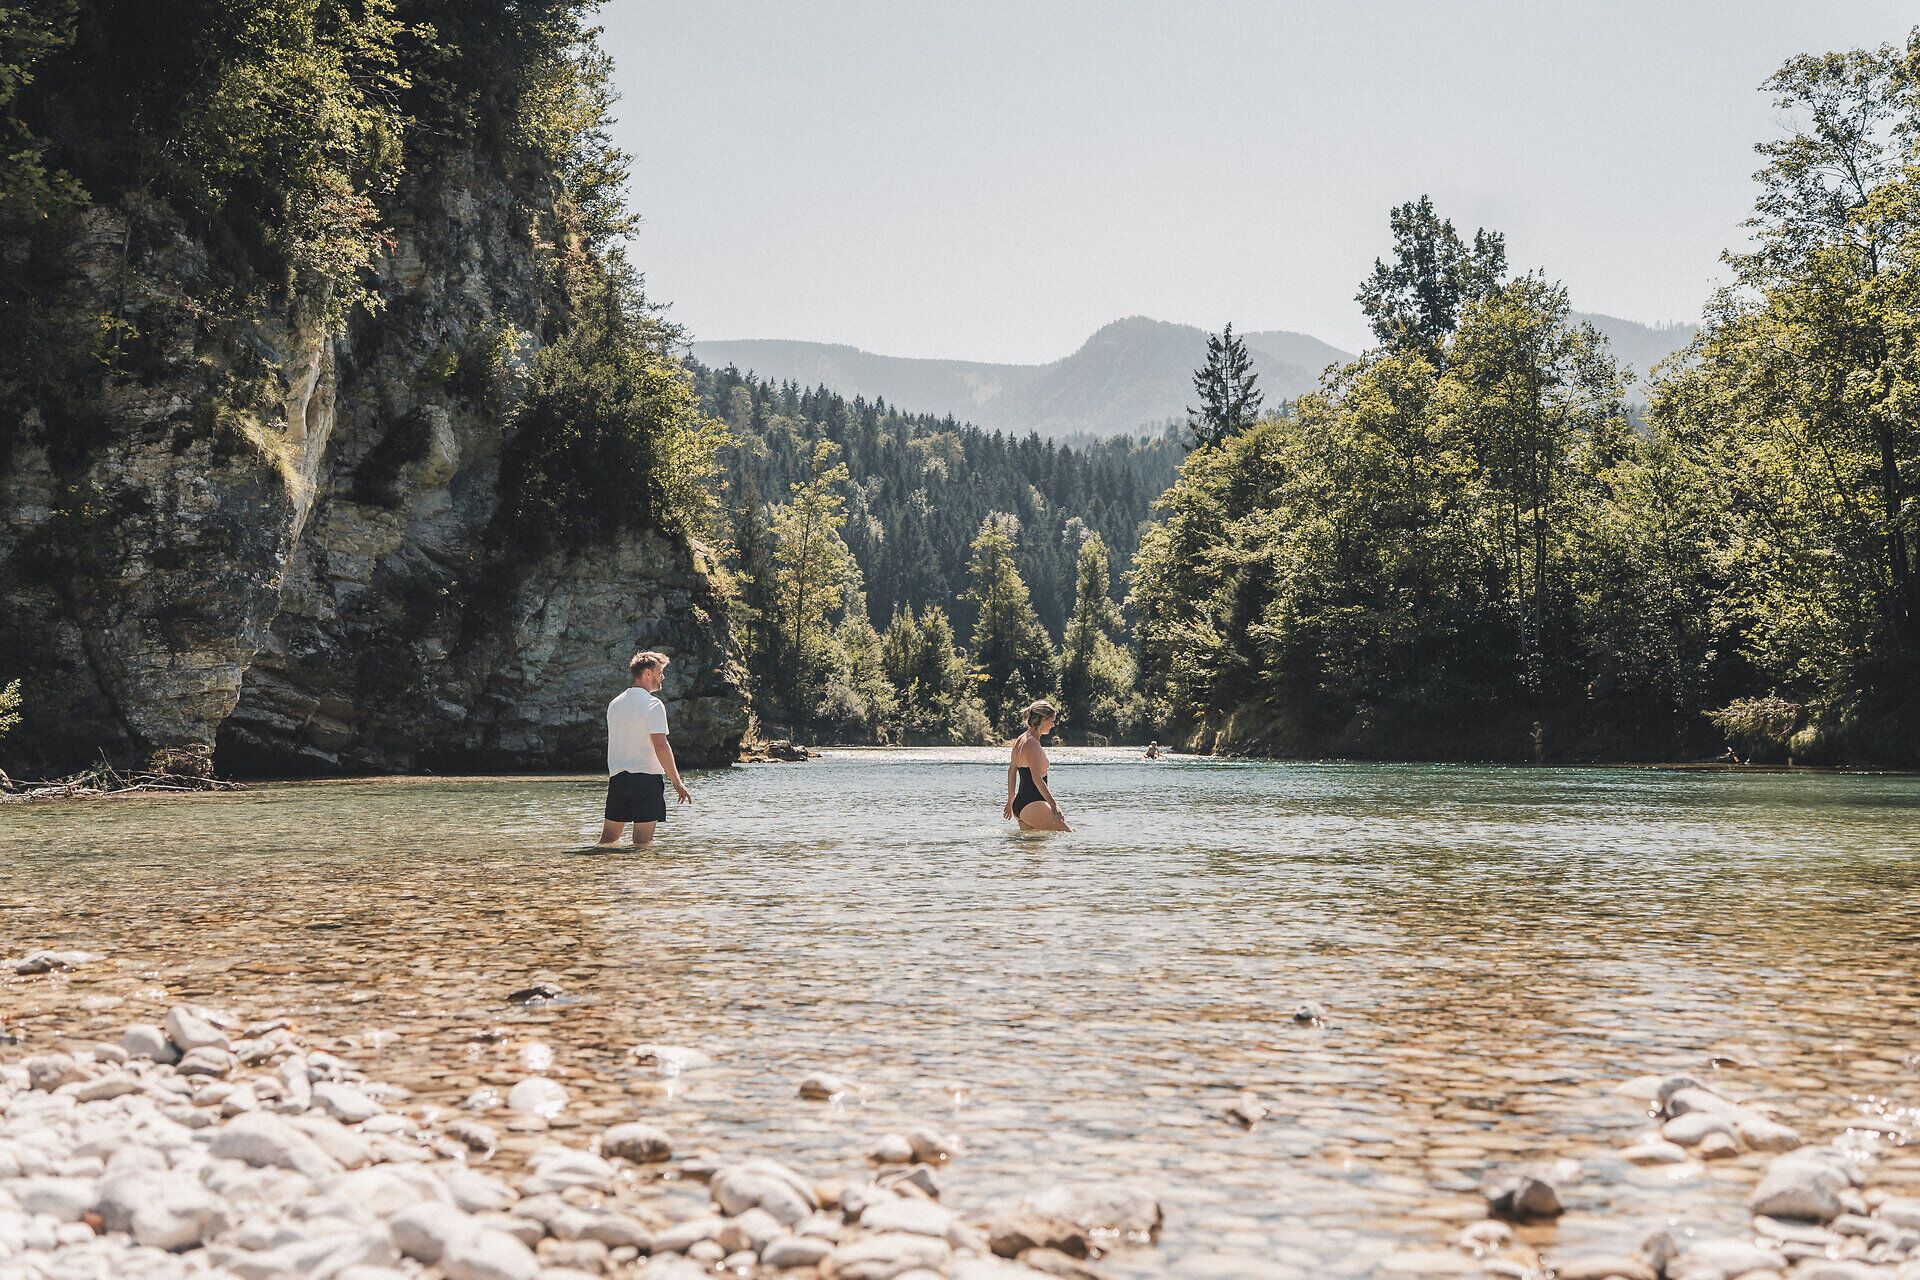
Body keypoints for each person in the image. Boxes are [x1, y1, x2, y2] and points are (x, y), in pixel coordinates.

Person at [601, 650, 692, 847]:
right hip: (646, 780)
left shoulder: (615, 703)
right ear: (648, 673)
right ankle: (643, 877)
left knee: (608, 840)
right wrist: (677, 782)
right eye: (660, 672)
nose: (663, 677)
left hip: (618, 779)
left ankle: (602, 872)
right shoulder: (653, 704)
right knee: (642, 843)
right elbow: (661, 745)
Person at [1005, 700, 1070, 831]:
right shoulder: (1032, 743)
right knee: (1069, 836)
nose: (1053, 725)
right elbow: (1036, 778)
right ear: (1044, 719)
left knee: (1034, 849)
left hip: (1021, 804)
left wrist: (1011, 801)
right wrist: (1054, 805)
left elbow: (1012, 770)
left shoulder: (1021, 739)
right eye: (1052, 720)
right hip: (1032, 802)